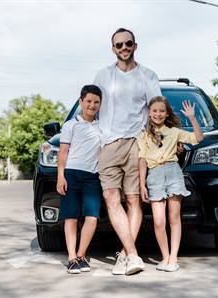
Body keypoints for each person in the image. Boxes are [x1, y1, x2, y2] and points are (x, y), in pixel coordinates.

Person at [93, 28, 162, 275]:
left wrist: (166, 139)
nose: (123, 48)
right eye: (118, 45)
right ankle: (132, 254)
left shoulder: (147, 76)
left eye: (127, 43)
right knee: (112, 198)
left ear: (135, 45)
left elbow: (157, 112)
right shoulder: (103, 75)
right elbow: (92, 107)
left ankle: (126, 255)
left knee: (133, 199)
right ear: (113, 49)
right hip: (108, 144)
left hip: (136, 143)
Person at [138, 96, 203, 272]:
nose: (158, 114)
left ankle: (173, 258)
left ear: (166, 114)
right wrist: (142, 184)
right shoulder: (143, 135)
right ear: (149, 114)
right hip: (154, 176)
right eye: (154, 111)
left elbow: (198, 138)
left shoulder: (174, 132)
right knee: (159, 221)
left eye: (161, 110)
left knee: (174, 218)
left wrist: (192, 117)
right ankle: (165, 256)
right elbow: (142, 160)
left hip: (173, 172)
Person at [57, 85, 102, 274]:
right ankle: (71, 257)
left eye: (96, 102)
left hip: (92, 176)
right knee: (71, 217)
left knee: (92, 218)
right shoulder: (70, 125)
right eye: (89, 101)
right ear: (81, 102)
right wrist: (61, 177)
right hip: (72, 174)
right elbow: (63, 153)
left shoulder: (102, 126)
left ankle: (81, 256)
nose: (92, 105)